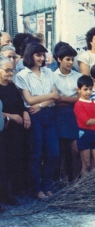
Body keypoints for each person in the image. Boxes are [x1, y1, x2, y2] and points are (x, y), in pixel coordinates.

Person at [15, 42, 61, 199]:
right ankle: (36, 188)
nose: (41, 58)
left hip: (47, 112)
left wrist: (41, 104)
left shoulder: (48, 72)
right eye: (38, 55)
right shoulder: (22, 75)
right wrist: (48, 97)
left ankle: (47, 185)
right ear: (30, 55)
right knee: (37, 153)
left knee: (54, 152)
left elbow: (56, 95)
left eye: (43, 55)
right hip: (34, 116)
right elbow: (28, 99)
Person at [0, 56, 30, 202]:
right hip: (4, 130)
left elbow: (20, 104)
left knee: (17, 158)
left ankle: (17, 189)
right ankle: (6, 194)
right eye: (7, 70)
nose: (10, 73)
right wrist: (11, 116)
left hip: (17, 129)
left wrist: (25, 113)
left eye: (11, 70)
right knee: (5, 161)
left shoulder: (12, 86)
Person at [53, 42, 82, 182]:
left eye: (72, 59)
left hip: (76, 114)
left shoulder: (78, 77)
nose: (71, 62)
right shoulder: (52, 76)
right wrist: (72, 99)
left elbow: (81, 99)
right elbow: (54, 101)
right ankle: (64, 180)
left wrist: (63, 98)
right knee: (62, 151)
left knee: (76, 150)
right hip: (60, 115)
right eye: (67, 59)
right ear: (59, 59)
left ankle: (76, 180)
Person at [74, 75, 95, 177]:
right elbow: (87, 121)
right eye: (85, 89)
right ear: (79, 90)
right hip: (85, 134)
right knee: (86, 164)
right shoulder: (78, 104)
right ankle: (84, 187)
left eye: (90, 89)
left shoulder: (94, 102)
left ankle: (94, 185)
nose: (88, 92)